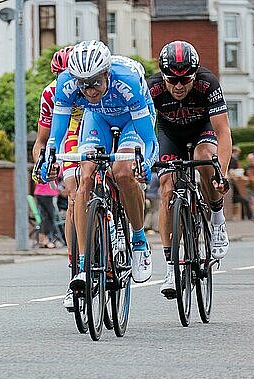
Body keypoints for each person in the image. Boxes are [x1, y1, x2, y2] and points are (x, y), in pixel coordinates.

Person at [41, 40, 158, 291]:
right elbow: (55, 136)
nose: (90, 89)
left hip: (132, 119)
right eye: (83, 84)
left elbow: (149, 140)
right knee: (86, 176)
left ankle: (139, 241)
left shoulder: (127, 80)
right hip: (98, 117)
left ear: (106, 73)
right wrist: (48, 157)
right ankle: (83, 265)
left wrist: (146, 161)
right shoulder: (67, 84)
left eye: (95, 82)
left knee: (123, 171)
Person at [146, 40, 231, 299]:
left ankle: (217, 218)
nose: (179, 86)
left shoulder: (208, 83)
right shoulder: (152, 88)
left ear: (195, 74)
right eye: (173, 79)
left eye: (186, 80)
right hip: (169, 134)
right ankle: (172, 268)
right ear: (163, 75)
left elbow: (223, 132)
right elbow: (143, 129)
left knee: (204, 157)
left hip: (201, 131)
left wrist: (222, 174)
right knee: (167, 188)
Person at [32, 45, 84, 309]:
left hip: (99, 129)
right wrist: (43, 165)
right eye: (60, 75)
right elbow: (42, 141)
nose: (67, 82)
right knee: (75, 198)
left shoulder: (94, 86)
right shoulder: (51, 94)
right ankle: (76, 270)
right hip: (69, 139)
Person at [33, 182, 58, 248]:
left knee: (44, 217)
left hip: (39, 192)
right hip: (47, 193)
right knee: (49, 218)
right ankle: (46, 240)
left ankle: (43, 240)